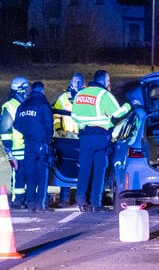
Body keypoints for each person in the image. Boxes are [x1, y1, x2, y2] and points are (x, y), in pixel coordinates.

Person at [70, 69, 130, 212]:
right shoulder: (104, 95)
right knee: (99, 171)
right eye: (108, 80)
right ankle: (96, 203)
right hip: (100, 138)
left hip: (84, 137)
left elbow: (74, 116)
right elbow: (117, 113)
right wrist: (129, 105)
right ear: (102, 80)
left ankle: (81, 199)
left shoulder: (80, 94)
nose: (109, 83)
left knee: (84, 169)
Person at [13, 81, 53, 211]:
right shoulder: (43, 105)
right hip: (41, 144)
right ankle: (41, 204)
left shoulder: (23, 105)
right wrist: (46, 140)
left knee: (30, 175)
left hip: (28, 144)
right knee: (42, 175)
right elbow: (49, 125)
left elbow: (16, 125)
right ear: (42, 91)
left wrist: (28, 132)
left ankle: (30, 202)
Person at [50, 73, 84, 207]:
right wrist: (59, 129)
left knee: (82, 168)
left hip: (81, 138)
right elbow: (56, 116)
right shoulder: (63, 98)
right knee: (65, 167)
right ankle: (64, 199)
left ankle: (80, 198)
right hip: (66, 138)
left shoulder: (84, 97)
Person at [0, 76, 29, 201]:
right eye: (26, 90)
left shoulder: (24, 104)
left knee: (26, 174)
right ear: (20, 91)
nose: (28, 92)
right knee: (18, 175)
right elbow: (5, 129)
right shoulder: (10, 106)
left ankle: (23, 198)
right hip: (16, 147)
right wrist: (8, 147)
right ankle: (17, 199)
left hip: (26, 146)